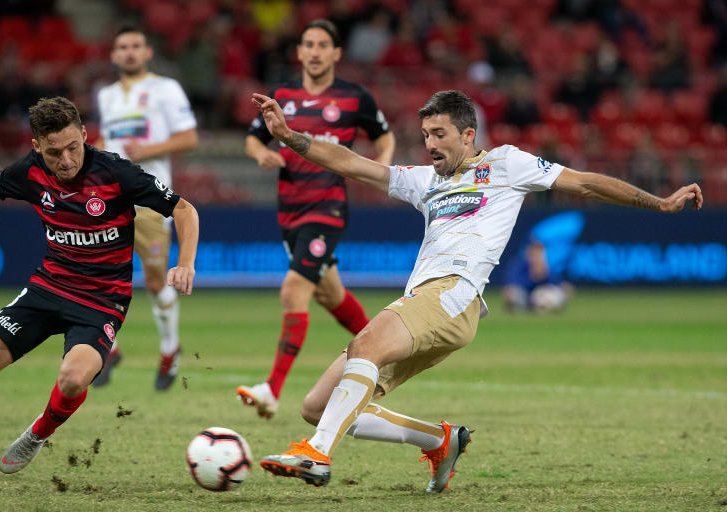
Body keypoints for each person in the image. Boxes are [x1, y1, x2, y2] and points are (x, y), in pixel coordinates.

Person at [250, 89, 702, 491]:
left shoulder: (508, 163)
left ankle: (317, 455)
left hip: (453, 293)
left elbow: (583, 182)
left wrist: (658, 202)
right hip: (427, 302)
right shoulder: (424, 182)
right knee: (316, 405)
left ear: (468, 135)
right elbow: (350, 163)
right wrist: (290, 137)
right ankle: (439, 440)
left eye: (440, 134)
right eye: (426, 134)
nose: (430, 144)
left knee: (365, 343)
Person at [0, 97, 199, 474]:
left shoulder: (116, 172)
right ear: (37, 146)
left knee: (72, 379)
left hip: (101, 302)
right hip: (46, 289)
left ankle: (37, 434)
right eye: (54, 152)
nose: (67, 160)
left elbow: (184, 209)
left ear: (85, 135)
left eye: (73, 147)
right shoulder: (30, 172)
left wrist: (185, 263)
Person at [237, 19, 395, 419]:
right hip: (289, 210)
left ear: (337, 53)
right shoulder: (282, 95)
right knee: (331, 295)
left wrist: (383, 163)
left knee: (294, 290)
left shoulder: (355, 97)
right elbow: (254, 136)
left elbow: (384, 136)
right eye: (308, 43)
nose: (315, 51)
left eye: (323, 44)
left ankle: (271, 390)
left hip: (328, 207)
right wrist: (260, 153)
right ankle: (384, 353)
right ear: (300, 51)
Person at [93, 26, 198, 390]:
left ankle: (170, 349)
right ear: (114, 55)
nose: (130, 52)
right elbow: (108, 138)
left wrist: (146, 152)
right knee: (96, 274)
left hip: (151, 198)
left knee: (155, 281)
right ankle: (109, 349)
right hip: (108, 197)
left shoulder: (165, 89)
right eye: (123, 47)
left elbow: (189, 136)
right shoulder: (106, 96)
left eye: (136, 45)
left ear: (148, 51)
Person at [503, 238, 573, 312]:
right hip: (524, 296)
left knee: (551, 293)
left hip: (539, 295)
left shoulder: (545, 264)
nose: (537, 255)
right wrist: (532, 278)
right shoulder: (521, 265)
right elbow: (512, 284)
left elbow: (554, 282)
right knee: (511, 293)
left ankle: (548, 307)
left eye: (539, 252)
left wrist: (562, 286)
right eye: (534, 252)